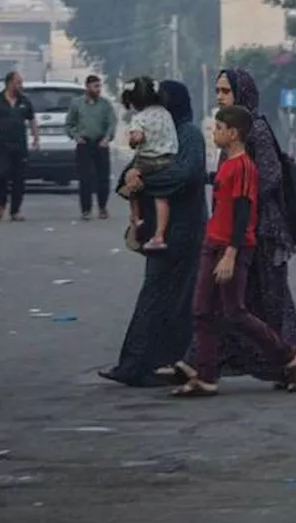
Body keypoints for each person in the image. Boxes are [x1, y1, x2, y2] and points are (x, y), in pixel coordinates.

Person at [159, 68, 296, 390]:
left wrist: (238, 196)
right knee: (229, 302)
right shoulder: (231, 131)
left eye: (224, 91)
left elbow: (269, 177)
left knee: (271, 303)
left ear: (241, 94)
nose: (219, 96)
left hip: (262, 231)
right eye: (218, 91)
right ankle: (201, 364)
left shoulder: (255, 130)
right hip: (240, 230)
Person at [99, 81, 206, 388]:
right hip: (160, 232)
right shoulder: (161, 134)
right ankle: (148, 364)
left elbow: (185, 175)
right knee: (162, 297)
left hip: (184, 231)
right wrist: (131, 179)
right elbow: (132, 170)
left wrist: (145, 181)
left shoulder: (189, 135)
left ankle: (143, 365)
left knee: (167, 298)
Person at [118, 76, 179, 253]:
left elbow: (136, 138)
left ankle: (136, 218)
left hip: (147, 161)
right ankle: (160, 236)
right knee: (162, 198)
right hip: (168, 160)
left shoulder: (139, 118)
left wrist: (133, 140)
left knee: (130, 181)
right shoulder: (166, 114)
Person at [0, 70, 39, 222]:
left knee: (19, 179)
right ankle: (2, 203)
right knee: (2, 175)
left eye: (21, 83)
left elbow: (32, 120)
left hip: (20, 145)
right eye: (18, 82)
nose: (20, 85)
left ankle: (15, 211)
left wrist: (36, 137)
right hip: (2, 145)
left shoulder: (24, 101)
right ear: (9, 83)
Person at [66, 74, 116, 221]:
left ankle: (102, 207)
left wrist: (107, 138)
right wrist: (75, 136)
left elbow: (111, 122)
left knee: (103, 177)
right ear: (87, 87)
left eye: (99, 86)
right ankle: (86, 209)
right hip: (84, 144)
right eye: (95, 86)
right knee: (85, 178)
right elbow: (69, 124)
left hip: (100, 143)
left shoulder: (105, 104)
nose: (98, 89)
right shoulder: (77, 104)